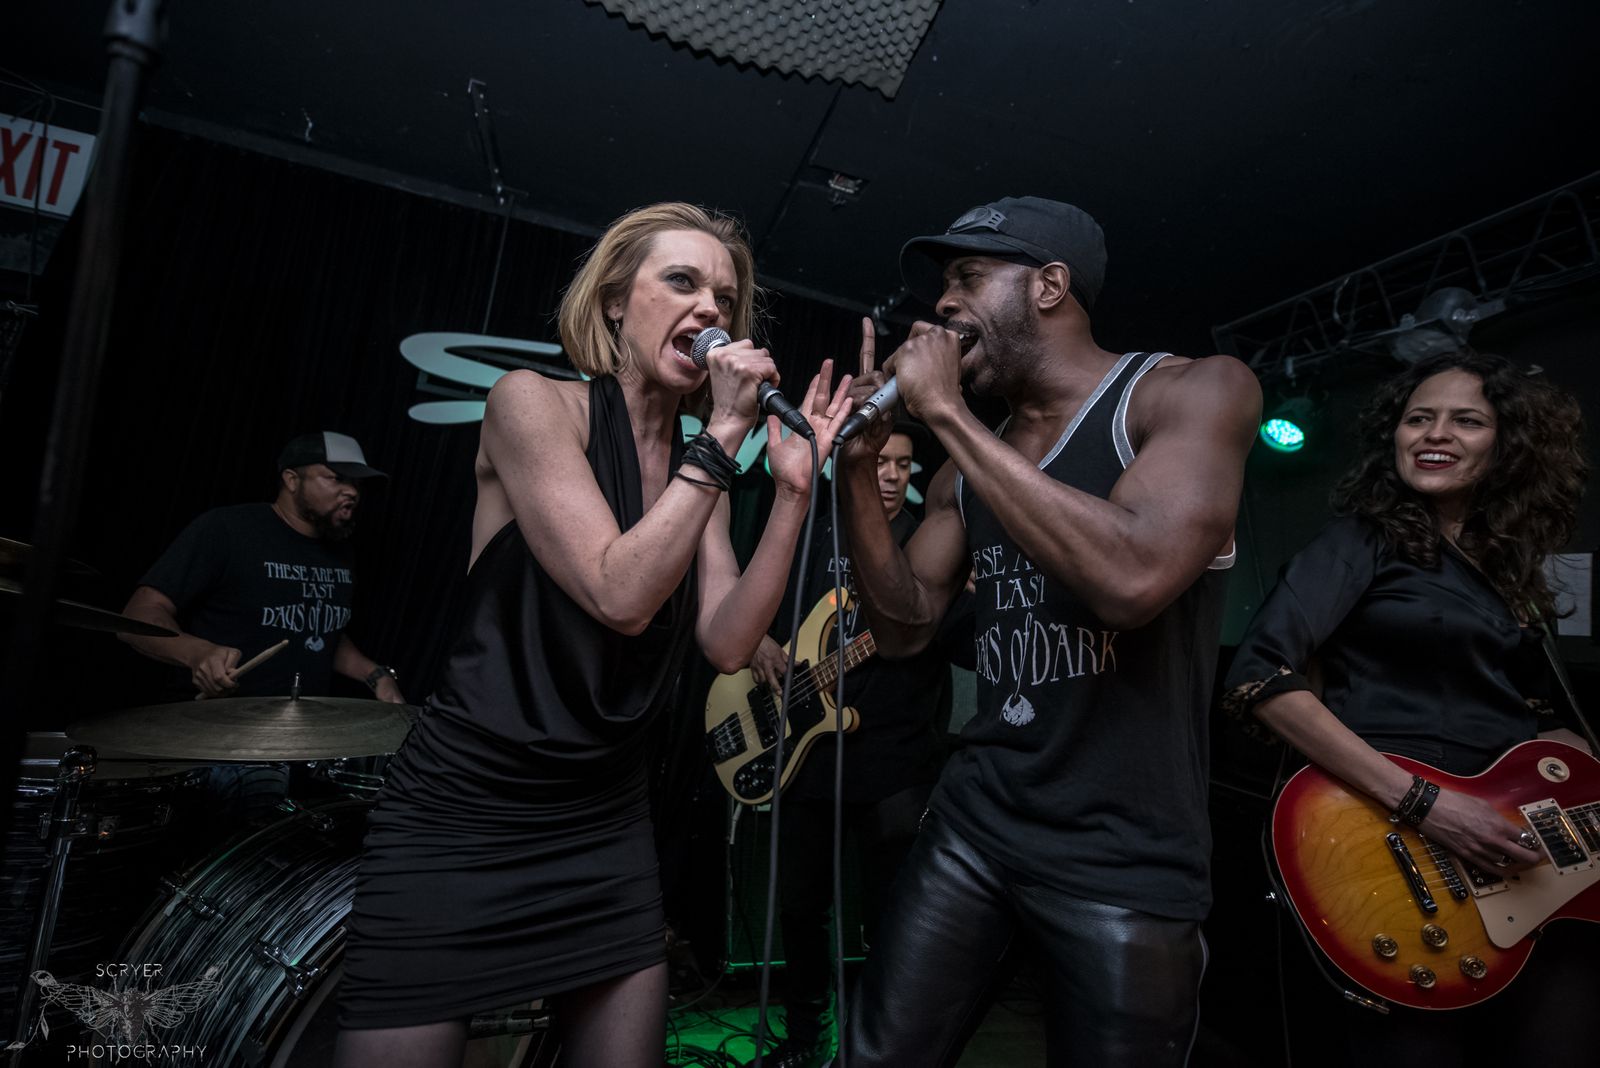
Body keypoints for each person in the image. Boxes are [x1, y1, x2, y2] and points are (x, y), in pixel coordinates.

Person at [334, 202, 854, 1068]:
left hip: (603, 816)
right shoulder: (532, 404)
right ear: (615, 301)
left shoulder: (697, 470)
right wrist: (724, 435)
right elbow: (621, 594)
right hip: (465, 808)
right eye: (681, 281)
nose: (709, 310)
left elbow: (728, 643)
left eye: (725, 299)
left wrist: (793, 495)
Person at [830, 196, 1261, 1066]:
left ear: (1050, 286)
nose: (943, 304)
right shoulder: (965, 468)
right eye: (943, 285)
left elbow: (1132, 581)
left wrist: (946, 415)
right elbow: (906, 627)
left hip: (1122, 853)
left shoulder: (1190, 392)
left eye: (968, 278)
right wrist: (855, 469)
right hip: (977, 823)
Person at [1222, 350, 1595, 1065]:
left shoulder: (1510, 570)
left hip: (1528, 859)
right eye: (1419, 418)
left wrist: (1566, 746)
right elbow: (1260, 676)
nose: (1436, 433)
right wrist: (1428, 804)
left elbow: (1535, 709)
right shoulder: (1364, 541)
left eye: (1467, 421)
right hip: (1405, 843)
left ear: (1508, 444)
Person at [742, 425, 951, 1068]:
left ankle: (877, 1045)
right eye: (880, 460)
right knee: (800, 907)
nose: (890, 474)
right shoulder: (811, 529)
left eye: (903, 464)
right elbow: (749, 596)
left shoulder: (929, 542)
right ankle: (808, 1039)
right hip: (806, 755)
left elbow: (962, 634)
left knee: (893, 914)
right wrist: (754, 638)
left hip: (895, 760)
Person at [120, 431, 407, 704]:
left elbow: (319, 628)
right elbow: (138, 615)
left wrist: (374, 674)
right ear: (292, 480)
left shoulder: (340, 550)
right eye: (337, 478)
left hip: (297, 726)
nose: (352, 491)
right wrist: (196, 653)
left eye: (357, 483)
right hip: (211, 722)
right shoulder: (227, 529)